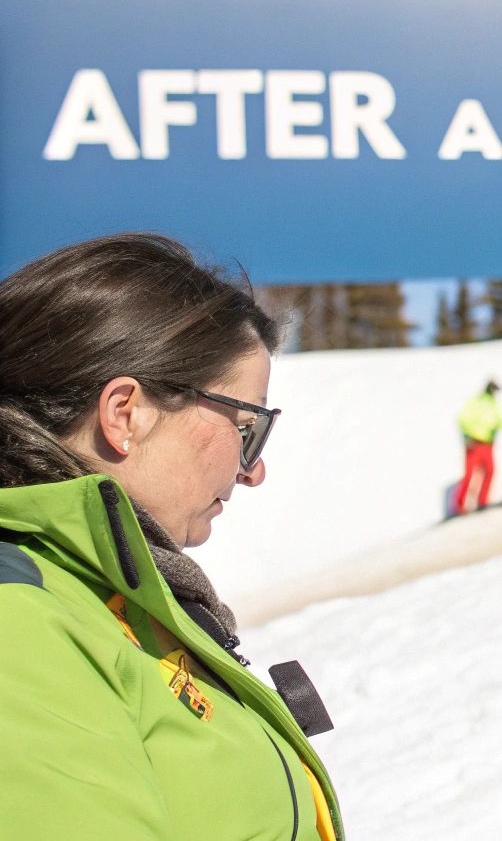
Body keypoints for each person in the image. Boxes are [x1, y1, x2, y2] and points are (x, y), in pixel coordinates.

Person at [0, 234, 343, 839]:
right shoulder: (20, 616)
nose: (253, 468)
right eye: (245, 427)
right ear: (125, 413)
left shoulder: (110, 602)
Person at [454, 379, 502, 515]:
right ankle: (460, 505)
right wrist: (466, 436)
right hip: (474, 443)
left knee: (490, 470)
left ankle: (483, 501)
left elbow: (500, 420)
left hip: (487, 444)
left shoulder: (493, 404)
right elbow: (462, 418)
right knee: (469, 474)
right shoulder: (477, 401)